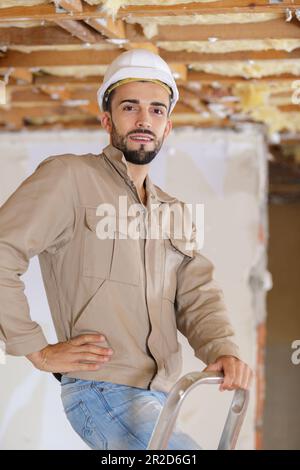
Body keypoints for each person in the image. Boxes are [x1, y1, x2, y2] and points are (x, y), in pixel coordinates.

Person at [0, 49, 252, 450]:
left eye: (155, 110)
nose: (143, 121)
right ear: (107, 119)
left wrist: (222, 349)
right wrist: (35, 349)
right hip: (103, 391)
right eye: (130, 107)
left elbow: (198, 294)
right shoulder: (69, 177)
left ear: (167, 127)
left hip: (161, 395)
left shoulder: (174, 212)